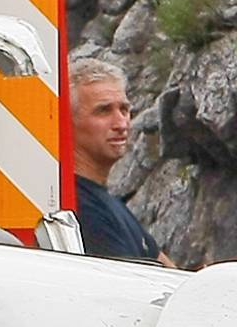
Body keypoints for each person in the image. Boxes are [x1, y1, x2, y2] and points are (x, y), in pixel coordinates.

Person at [69, 53, 171, 263]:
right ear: (68, 122)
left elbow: (170, 271)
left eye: (124, 110)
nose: (121, 124)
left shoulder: (108, 202)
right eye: (103, 111)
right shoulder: (82, 208)